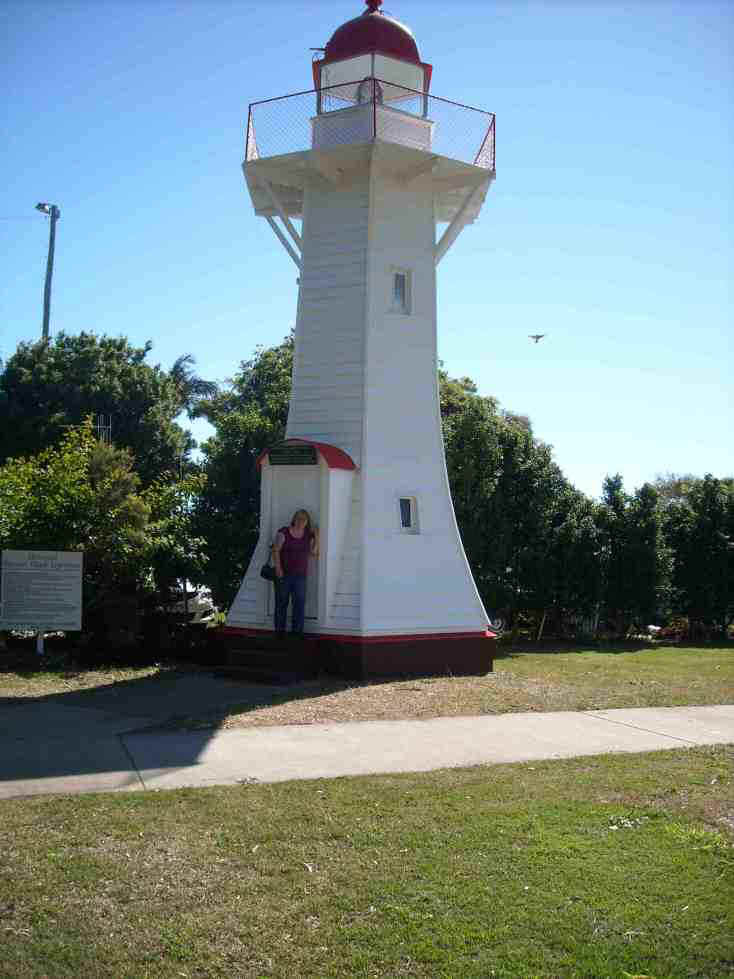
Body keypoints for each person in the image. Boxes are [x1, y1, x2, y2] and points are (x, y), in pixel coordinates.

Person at [272, 509, 319, 637]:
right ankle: (279, 634)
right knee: (281, 603)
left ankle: (296, 634)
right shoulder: (284, 532)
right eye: (298, 518)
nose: (301, 521)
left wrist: (317, 536)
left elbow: (314, 552)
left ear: (307, 522)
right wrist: (278, 568)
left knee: (299, 604)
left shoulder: (308, 535)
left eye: (304, 519)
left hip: (300, 576)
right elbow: (275, 550)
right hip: (284, 574)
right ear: (294, 519)